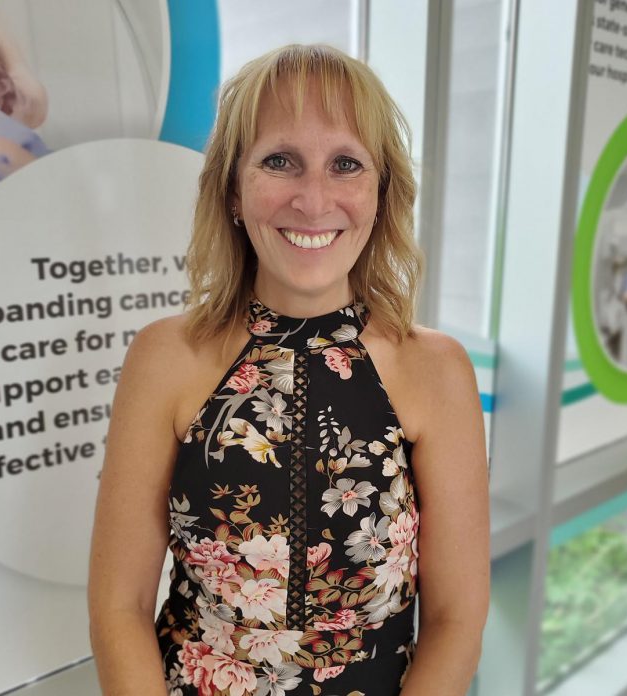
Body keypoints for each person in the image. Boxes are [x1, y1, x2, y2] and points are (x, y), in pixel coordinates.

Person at [88, 44, 490, 696]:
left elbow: (456, 619)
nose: (312, 199)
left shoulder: (436, 371)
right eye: (280, 161)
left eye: (345, 165)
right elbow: (119, 608)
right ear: (234, 191)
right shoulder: (165, 358)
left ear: (382, 194)